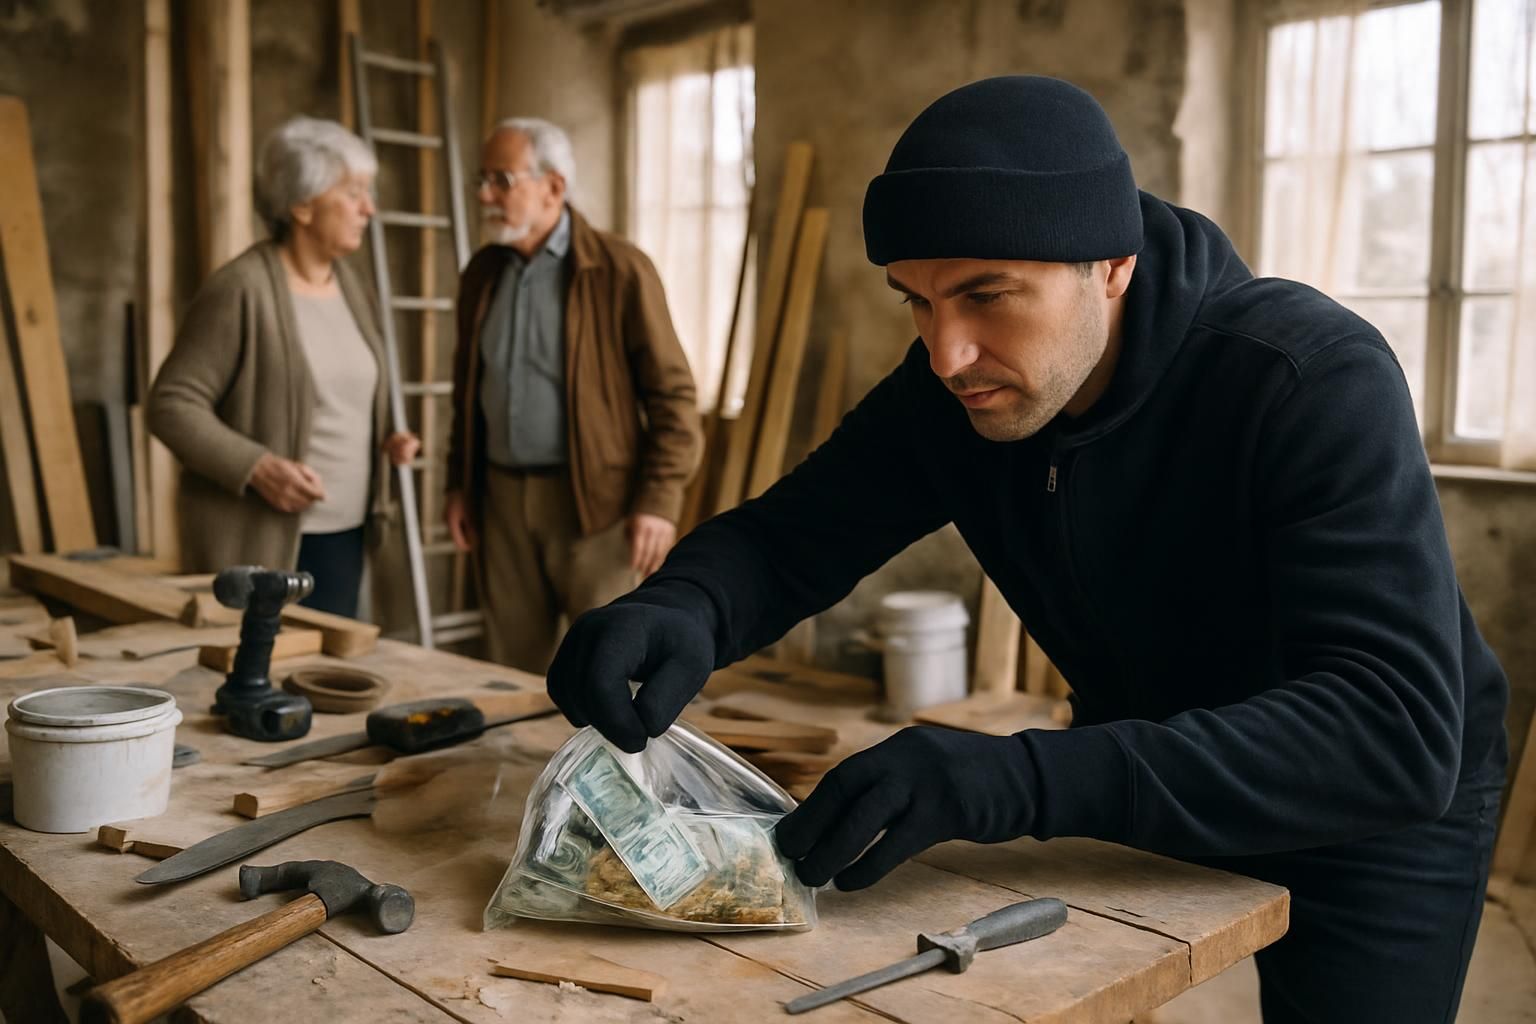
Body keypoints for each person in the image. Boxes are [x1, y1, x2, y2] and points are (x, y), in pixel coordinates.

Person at [544, 77, 1509, 1023]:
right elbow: (795, 533)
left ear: (1112, 264)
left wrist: (1019, 778)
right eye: (915, 303)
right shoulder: (956, 388)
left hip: (1370, 808)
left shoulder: (1309, 379)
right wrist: (684, 606)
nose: (948, 352)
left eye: (987, 296)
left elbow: (1394, 729)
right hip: (1146, 766)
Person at [444, 117, 701, 673]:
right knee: (511, 670)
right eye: (481, 180)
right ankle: (526, 766)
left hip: (598, 508)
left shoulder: (618, 269)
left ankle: (617, 767)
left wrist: (659, 500)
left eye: (502, 180)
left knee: (611, 671)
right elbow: (467, 390)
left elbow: (674, 396)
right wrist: (458, 484)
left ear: (552, 187)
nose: (485, 196)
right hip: (502, 502)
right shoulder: (482, 274)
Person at [148, 116, 419, 617]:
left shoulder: (351, 286)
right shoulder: (241, 289)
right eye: (353, 192)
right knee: (259, 682)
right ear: (302, 204)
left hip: (345, 532)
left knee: (320, 680)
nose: (369, 209)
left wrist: (385, 436)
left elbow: (337, 393)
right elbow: (170, 404)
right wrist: (257, 467)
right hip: (267, 540)